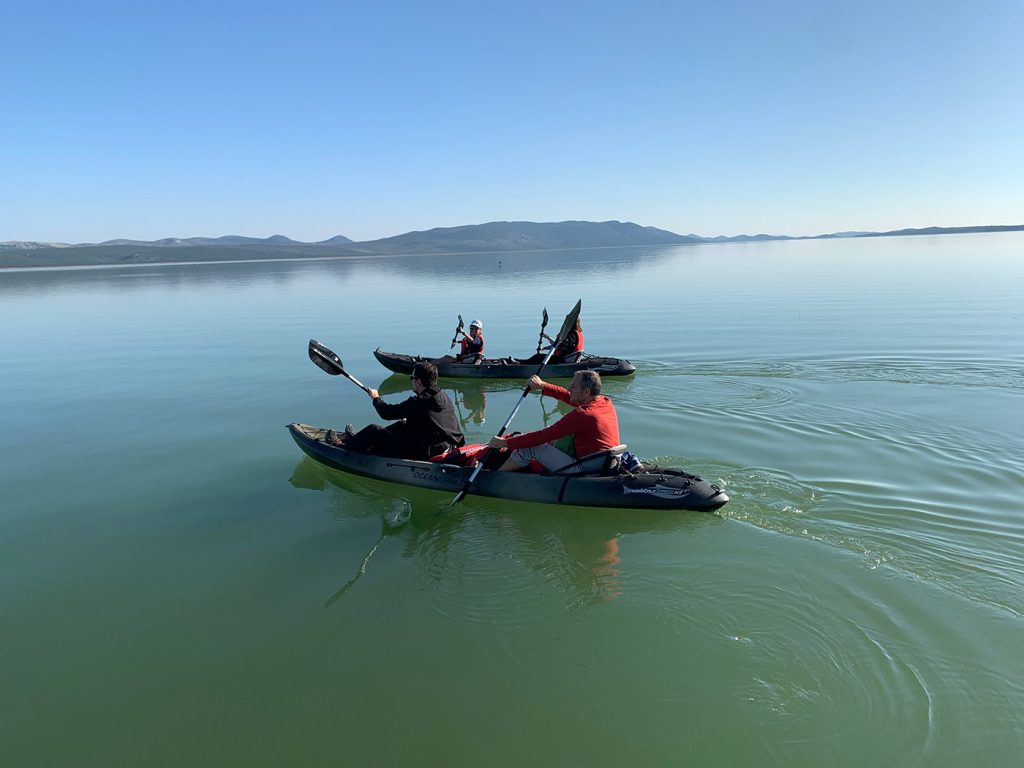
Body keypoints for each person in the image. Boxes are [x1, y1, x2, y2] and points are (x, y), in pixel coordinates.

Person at [488, 370, 619, 473]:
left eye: (573, 386)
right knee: (551, 436)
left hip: (586, 469)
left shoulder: (583, 414)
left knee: (532, 447)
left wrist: (505, 442)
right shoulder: (604, 402)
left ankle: (494, 477)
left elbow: (542, 436)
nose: (569, 389)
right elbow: (570, 397)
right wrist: (543, 386)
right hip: (604, 462)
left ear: (586, 391)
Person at [341, 361, 465, 459]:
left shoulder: (418, 402)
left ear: (418, 381)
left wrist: (376, 398)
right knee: (404, 423)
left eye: (412, 378)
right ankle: (361, 440)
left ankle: (344, 446)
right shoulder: (442, 396)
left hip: (426, 452)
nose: (411, 381)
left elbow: (386, 413)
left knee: (374, 430)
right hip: (448, 446)